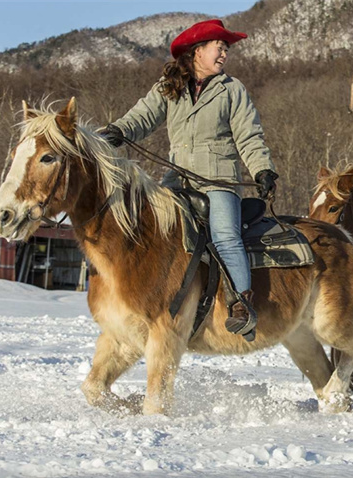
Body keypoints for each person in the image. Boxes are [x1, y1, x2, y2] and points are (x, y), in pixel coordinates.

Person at [100, 19, 278, 341]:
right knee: (151, 228)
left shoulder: (232, 90)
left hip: (219, 181)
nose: (224, 53)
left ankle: (242, 304)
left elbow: (249, 136)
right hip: (177, 178)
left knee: (224, 236)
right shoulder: (169, 87)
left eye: (226, 49)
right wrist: (119, 131)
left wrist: (262, 169)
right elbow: (143, 115)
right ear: (197, 51)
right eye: (218, 47)